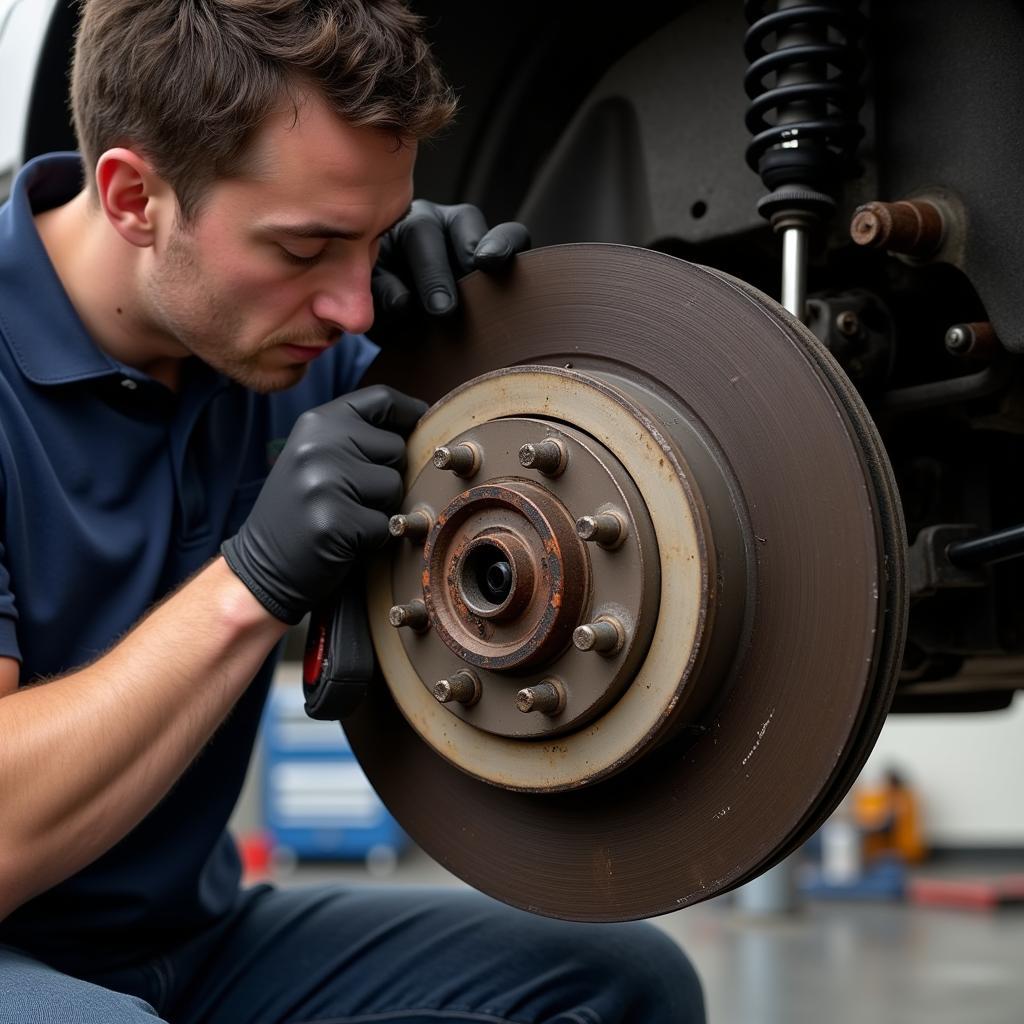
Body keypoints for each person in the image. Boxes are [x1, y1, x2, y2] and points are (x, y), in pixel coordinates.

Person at [0, 1, 705, 1021]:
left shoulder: (291, 342)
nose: (352, 309)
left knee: (621, 985)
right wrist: (251, 583)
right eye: (303, 249)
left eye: (370, 240)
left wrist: (483, 343)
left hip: (191, 941)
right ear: (133, 197)